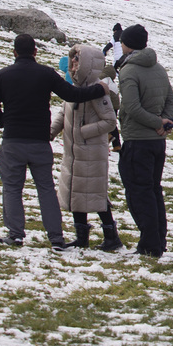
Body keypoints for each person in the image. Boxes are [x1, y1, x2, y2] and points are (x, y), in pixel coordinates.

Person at [0, 33, 109, 250]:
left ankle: (15, 234)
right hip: (39, 142)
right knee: (45, 190)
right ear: (35, 52)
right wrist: (99, 89)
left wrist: (5, 122)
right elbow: (71, 95)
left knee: (12, 188)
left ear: (14, 52)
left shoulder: (3, 75)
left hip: (13, 141)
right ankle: (56, 237)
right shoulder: (45, 74)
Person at [49, 44, 125, 251]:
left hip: (90, 151)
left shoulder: (98, 90)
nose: (73, 64)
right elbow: (64, 113)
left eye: (77, 60)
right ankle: (81, 236)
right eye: (73, 59)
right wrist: (50, 132)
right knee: (76, 191)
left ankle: (111, 236)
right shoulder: (73, 88)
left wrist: (82, 132)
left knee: (96, 194)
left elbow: (110, 121)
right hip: (74, 151)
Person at [116, 24, 173, 258]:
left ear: (127, 44)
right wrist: (164, 121)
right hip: (157, 143)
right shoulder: (159, 68)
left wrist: (156, 123)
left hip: (137, 140)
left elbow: (131, 107)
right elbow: (171, 100)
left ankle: (149, 244)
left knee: (139, 193)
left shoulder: (129, 71)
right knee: (153, 190)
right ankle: (158, 240)